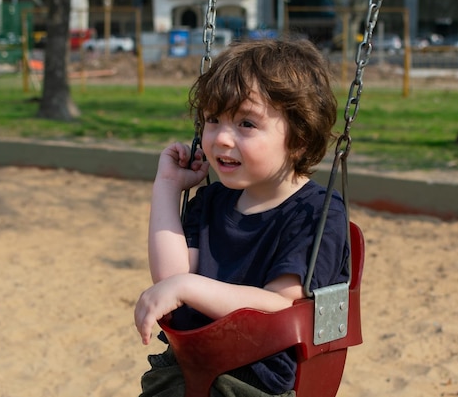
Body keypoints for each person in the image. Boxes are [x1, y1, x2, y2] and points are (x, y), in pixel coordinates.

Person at [134, 37, 350, 397]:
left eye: (246, 124)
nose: (220, 138)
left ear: (298, 137)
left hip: (253, 379)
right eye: (213, 119)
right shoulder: (214, 200)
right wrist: (167, 187)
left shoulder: (317, 212)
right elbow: (169, 279)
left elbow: (280, 304)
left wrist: (189, 287)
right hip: (188, 364)